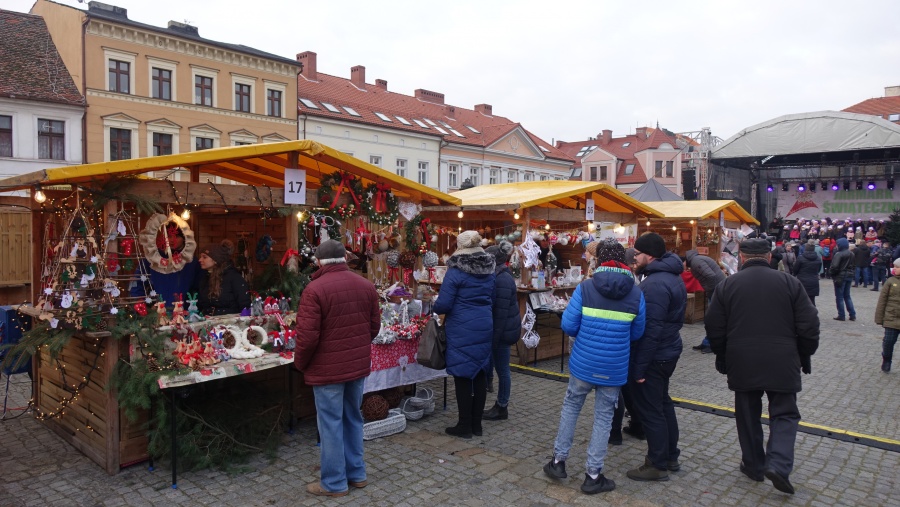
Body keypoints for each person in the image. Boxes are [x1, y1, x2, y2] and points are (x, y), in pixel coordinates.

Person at [705, 237, 819, 495]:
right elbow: (809, 324)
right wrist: (804, 354)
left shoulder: (728, 285)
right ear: (769, 257)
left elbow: (714, 326)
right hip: (783, 358)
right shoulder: (791, 283)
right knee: (785, 414)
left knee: (747, 414)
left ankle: (755, 465)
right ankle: (778, 463)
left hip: (742, 358)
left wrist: (722, 356)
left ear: (742, 257)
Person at [544, 238, 646, 495]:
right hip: (614, 366)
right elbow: (637, 333)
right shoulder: (636, 293)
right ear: (624, 260)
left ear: (599, 259)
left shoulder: (586, 288)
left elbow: (568, 325)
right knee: (604, 417)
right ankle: (593, 475)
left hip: (583, 363)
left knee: (571, 407)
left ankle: (558, 462)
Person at [293, 240, 381, 497]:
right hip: (355, 365)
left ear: (318, 261)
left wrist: (301, 363)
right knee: (353, 417)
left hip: (327, 369)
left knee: (330, 423)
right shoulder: (366, 285)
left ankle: (333, 483)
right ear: (345, 257)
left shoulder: (314, 289)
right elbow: (373, 328)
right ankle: (357, 473)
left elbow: (307, 338)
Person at [626, 232, 685, 482]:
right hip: (666, 351)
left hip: (656, 355)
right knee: (662, 404)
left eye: (637, 254)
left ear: (648, 255)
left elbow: (651, 330)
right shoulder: (668, 277)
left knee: (651, 410)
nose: (634, 258)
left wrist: (639, 368)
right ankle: (670, 455)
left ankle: (657, 463)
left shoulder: (655, 284)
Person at [433, 230, 495, 439]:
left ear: (460, 248)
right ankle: (477, 425)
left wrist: (433, 303)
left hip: (461, 327)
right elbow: (491, 297)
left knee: (462, 375)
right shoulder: (489, 269)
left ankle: (464, 425)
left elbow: (444, 303)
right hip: (484, 324)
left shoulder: (456, 271)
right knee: (478, 372)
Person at [483, 241, 521, 421]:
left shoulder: (502, 279)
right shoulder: (500, 276)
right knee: (501, 368)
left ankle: (502, 406)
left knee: (503, 370)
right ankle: (500, 404)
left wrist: (494, 339)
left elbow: (501, 313)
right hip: (503, 330)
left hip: (503, 332)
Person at [685, 249, 726, 353]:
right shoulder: (698, 260)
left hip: (716, 291)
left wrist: (711, 292)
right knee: (712, 318)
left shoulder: (696, 262)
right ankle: (707, 342)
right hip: (717, 290)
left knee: (712, 319)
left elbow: (710, 276)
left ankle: (710, 344)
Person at [196, 240, 250, 315]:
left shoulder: (234, 278)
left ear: (215, 260)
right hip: (208, 322)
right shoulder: (205, 278)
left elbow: (244, 305)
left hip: (230, 323)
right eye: (200, 257)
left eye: (204, 257)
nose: (200, 260)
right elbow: (201, 305)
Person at [874, 258, 900, 373]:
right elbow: (882, 300)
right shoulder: (890, 281)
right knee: (888, 342)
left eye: (897, 267)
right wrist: (879, 318)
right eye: (894, 266)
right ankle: (887, 359)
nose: (894, 269)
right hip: (891, 317)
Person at [828, 237, 856, 321]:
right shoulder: (852, 254)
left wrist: (831, 273)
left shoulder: (839, 254)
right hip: (849, 276)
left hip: (840, 276)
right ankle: (852, 314)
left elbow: (834, 266)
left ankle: (841, 315)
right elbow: (854, 266)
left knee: (839, 296)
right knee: (847, 295)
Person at [792, 239, 822, 306]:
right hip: (814, 281)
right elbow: (818, 270)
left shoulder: (800, 258)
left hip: (802, 281)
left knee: (801, 300)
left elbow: (795, 270)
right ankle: (813, 315)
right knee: (812, 300)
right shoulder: (818, 258)